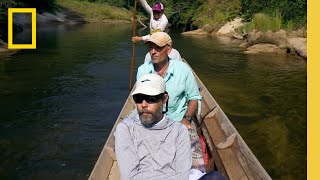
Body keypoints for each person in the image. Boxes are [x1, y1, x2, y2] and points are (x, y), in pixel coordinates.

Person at [115, 74, 192, 180]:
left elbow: (183, 176)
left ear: (165, 99)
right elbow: (129, 177)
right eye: (138, 98)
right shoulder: (125, 129)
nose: (143, 104)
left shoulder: (179, 131)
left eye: (151, 98)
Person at [137, 32, 201, 128]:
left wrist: (186, 118)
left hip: (176, 119)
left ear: (169, 49)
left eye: (158, 48)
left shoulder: (183, 69)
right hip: (150, 119)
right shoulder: (143, 70)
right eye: (150, 48)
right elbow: (140, 100)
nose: (153, 52)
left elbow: (194, 97)